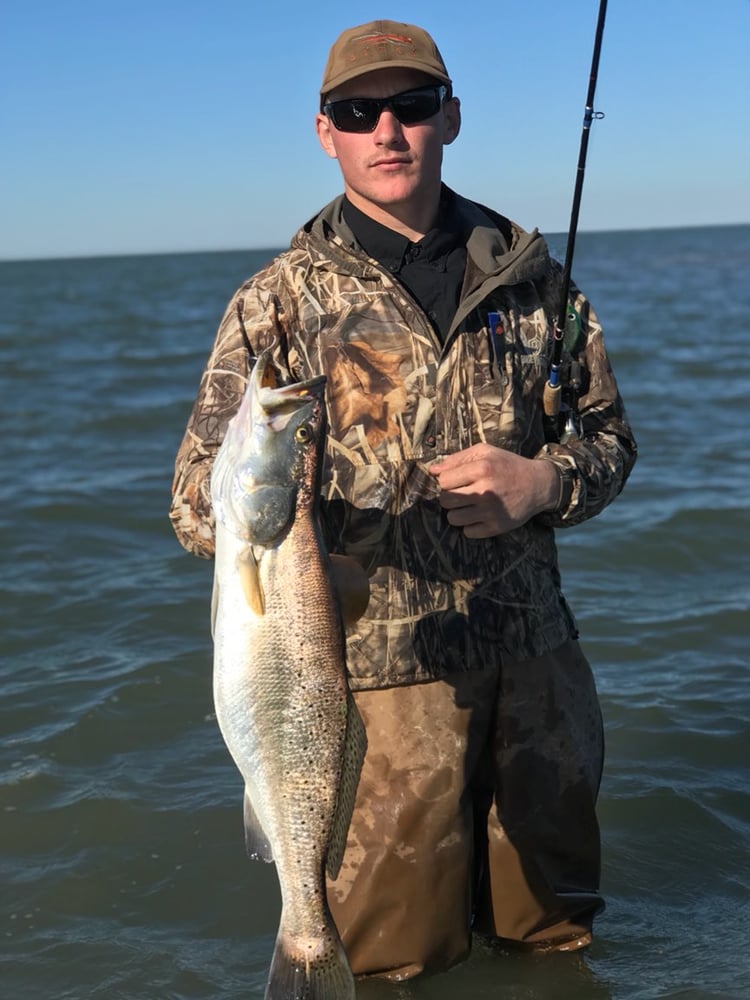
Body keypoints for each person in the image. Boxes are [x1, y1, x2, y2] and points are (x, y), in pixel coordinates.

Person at [170, 19, 637, 981]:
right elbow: (190, 502)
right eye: (358, 111)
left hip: (540, 673)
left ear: (449, 118)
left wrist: (543, 483)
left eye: (412, 106)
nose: (387, 129)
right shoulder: (276, 305)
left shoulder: (533, 276)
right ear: (325, 132)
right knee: (389, 963)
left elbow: (610, 442)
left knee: (556, 942)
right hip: (375, 698)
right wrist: (281, 511)